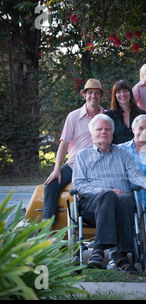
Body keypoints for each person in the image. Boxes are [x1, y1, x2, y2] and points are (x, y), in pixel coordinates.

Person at [72, 114, 146, 272]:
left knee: (126, 199)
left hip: (122, 205)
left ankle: (121, 255)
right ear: (92, 134)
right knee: (109, 195)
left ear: (112, 134)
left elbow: (135, 175)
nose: (103, 132)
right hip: (92, 205)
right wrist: (105, 191)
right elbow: (79, 184)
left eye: (107, 129)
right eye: (99, 129)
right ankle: (100, 249)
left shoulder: (122, 153)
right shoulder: (82, 155)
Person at [43, 78, 105, 222]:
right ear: (84, 95)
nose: (93, 96)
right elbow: (64, 144)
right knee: (51, 185)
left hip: (99, 166)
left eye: (97, 93)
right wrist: (57, 167)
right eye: (90, 93)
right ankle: (47, 230)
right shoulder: (73, 116)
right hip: (75, 165)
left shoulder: (106, 116)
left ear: (101, 96)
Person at [120, 115, 146, 207]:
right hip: (125, 201)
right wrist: (142, 177)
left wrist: (131, 177)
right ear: (133, 129)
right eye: (141, 128)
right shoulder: (120, 150)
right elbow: (118, 176)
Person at [105, 80, 145, 144]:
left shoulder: (141, 114)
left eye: (125, 91)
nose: (122, 94)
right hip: (116, 153)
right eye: (118, 92)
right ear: (115, 95)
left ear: (130, 93)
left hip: (138, 152)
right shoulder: (108, 116)